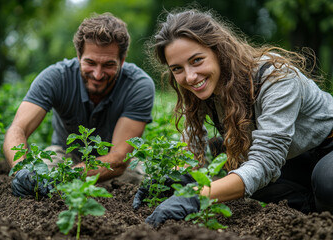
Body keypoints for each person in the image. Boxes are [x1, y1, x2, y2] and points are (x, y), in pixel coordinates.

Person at [135, 9, 333, 227]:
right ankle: (312, 213)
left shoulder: (275, 78)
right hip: (292, 160)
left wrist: (196, 196)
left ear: (219, 51)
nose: (190, 77)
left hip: (327, 147)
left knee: (327, 183)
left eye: (197, 60)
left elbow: (265, 161)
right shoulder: (204, 91)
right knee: (234, 167)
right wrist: (175, 178)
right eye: (177, 68)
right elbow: (194, 148)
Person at [3, 13, 155, 197]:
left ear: (122, 61)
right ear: (78, 56)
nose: (98, 75)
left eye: (108, 64)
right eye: (90, 63)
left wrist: (67, 178)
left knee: (147, 186)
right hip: (65, 156)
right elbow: (18, 128)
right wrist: (22, 170)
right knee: (37, 184)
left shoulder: (138, 85)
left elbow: (119, 157)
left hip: (114, 167)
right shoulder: (56, 77)